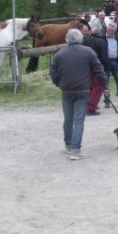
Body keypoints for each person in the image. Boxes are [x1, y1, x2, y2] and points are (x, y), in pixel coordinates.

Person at [49, 28, 110, 160]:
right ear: (80, 38)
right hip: (83, 90)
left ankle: (69, 145)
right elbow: (99, 70)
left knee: (68, 119)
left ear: (67, 39)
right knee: (79, 120)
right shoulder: (88, 52)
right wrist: (105, 86)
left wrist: (58, 83)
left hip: (66, 90)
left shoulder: (60, 54)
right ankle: (76, 150)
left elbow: (53, 73)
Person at [82, 22, 109, 116]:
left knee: (90, 88)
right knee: (97, 89)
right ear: (100, 33)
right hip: (98, 68)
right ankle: (91, 108)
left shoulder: (85, 42)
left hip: (87, 69)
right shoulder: (102, 42)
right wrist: (106, 69)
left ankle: (87, 105)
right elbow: (104, 58)